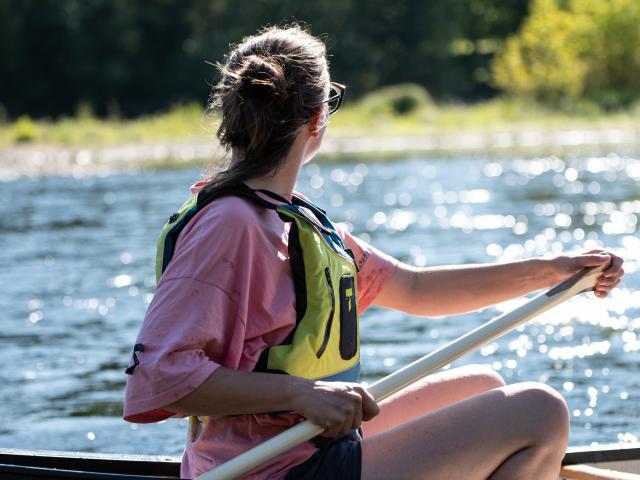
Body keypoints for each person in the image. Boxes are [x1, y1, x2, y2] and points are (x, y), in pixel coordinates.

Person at [123, 25, 625, 480]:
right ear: (318, 118)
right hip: (269, 470)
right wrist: (301, 394)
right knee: (539, 412)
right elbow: (159, 376)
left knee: (482, 385)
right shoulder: (231, 225)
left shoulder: (292, 221)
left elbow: (413, 287)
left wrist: (555, 273)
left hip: (308, 447)